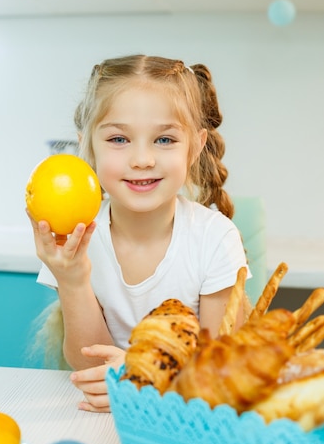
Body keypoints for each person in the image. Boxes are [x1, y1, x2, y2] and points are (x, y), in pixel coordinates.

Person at [28, 54, 250, 413]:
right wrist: (71, 278)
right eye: (118, 139)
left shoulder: (215, 239)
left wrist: (140, 379)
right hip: (104, 417)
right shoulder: (76, 240)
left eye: (164, 140)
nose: (142, 159)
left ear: (194, 146)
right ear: (88, 147)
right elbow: (88, 365)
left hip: (183, 419)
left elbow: (223, 373)